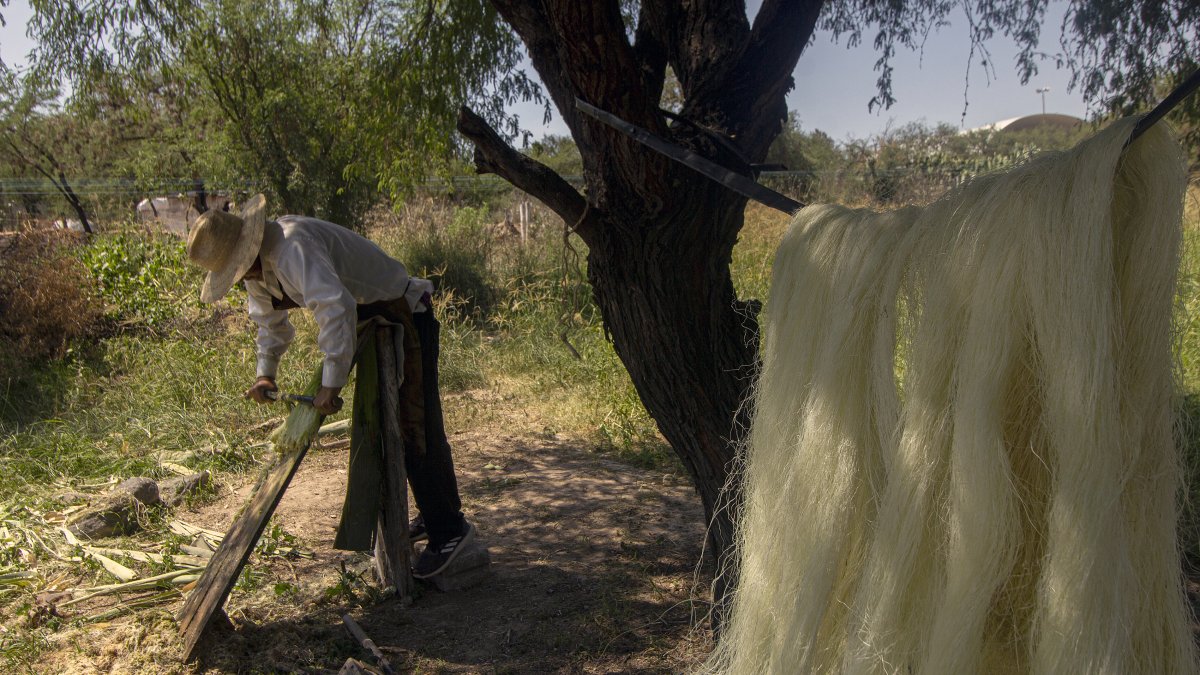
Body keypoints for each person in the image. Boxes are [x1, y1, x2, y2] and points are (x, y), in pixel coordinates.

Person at [185, 194, 474, 579]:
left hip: (404, 311)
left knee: (415, 423)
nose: (243, 278)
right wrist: (264, 373)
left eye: (240, 269)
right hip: (371, 319)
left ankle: (450, 531)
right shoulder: (257, 271)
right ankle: (437, 509)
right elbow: (270, 325)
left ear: (246, 249)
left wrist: (331, 383)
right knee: (396, 426)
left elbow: (335, 306)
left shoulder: (291, 247)